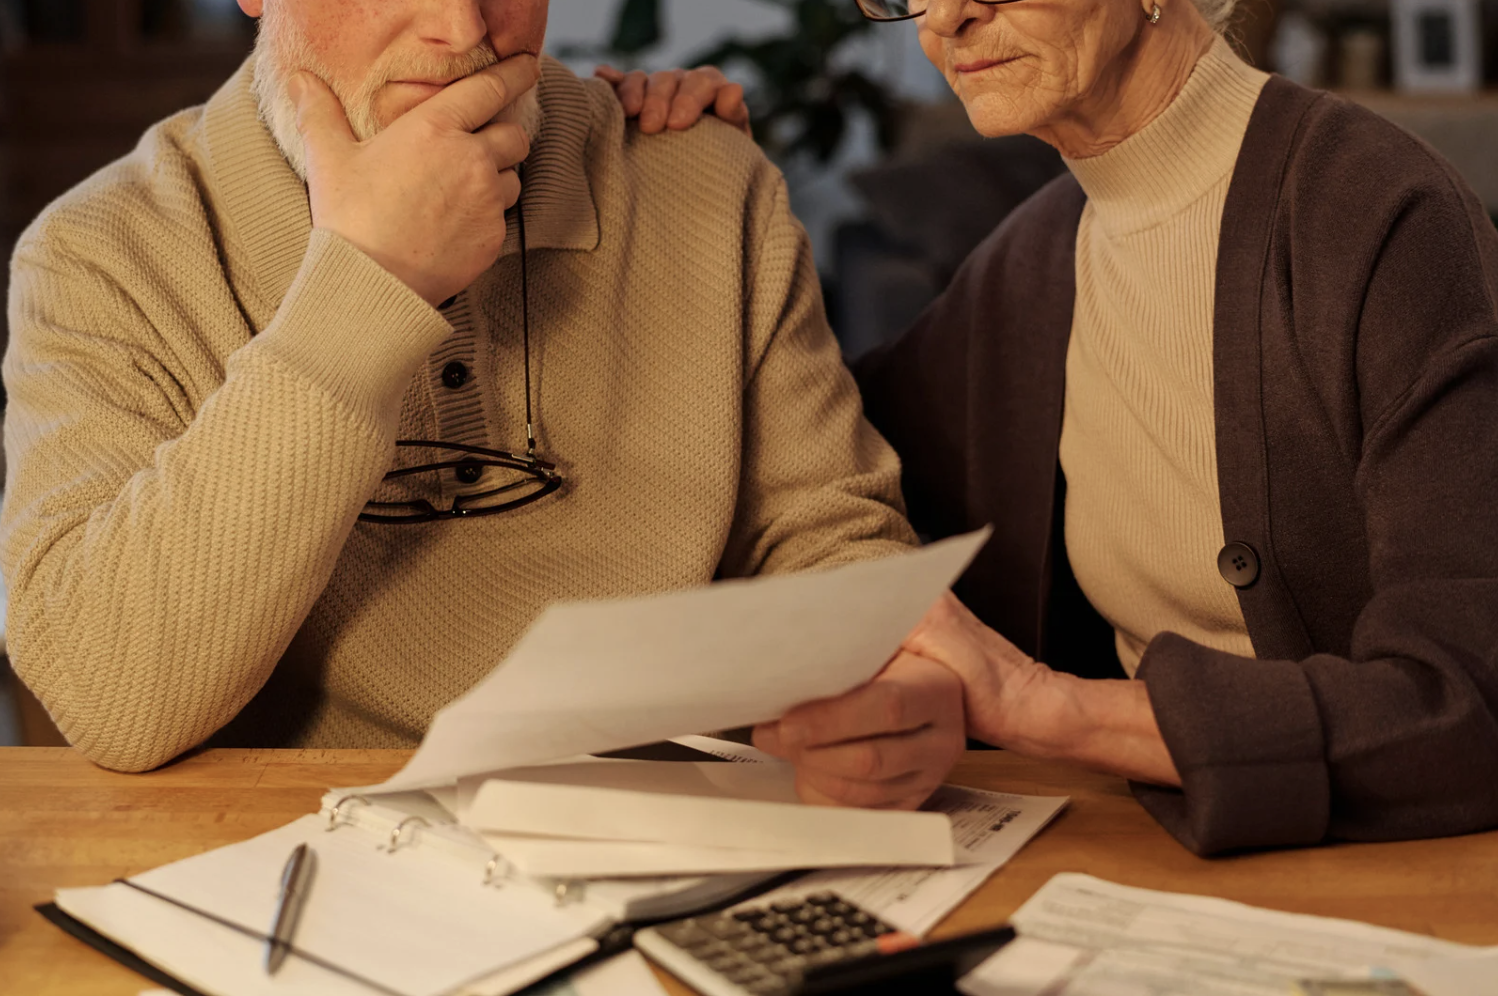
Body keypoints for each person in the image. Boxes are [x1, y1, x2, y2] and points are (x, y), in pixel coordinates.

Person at [1, 0, 977, 791]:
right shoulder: (101, 250)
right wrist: (367, 285)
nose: (462, 30)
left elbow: (830, 540)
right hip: (303, 856)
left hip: (688, 836)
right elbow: (111, 697)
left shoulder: (705, 181)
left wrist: (882, 688)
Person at [632, 0, 1498, 853]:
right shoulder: (1032, 262)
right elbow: (801, 467)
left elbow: (1467, 707)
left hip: (1408, 881)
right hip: (1145, 858)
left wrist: (1041, 705)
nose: (946, 19)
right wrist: (707, 204)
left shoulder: (1386, 216)